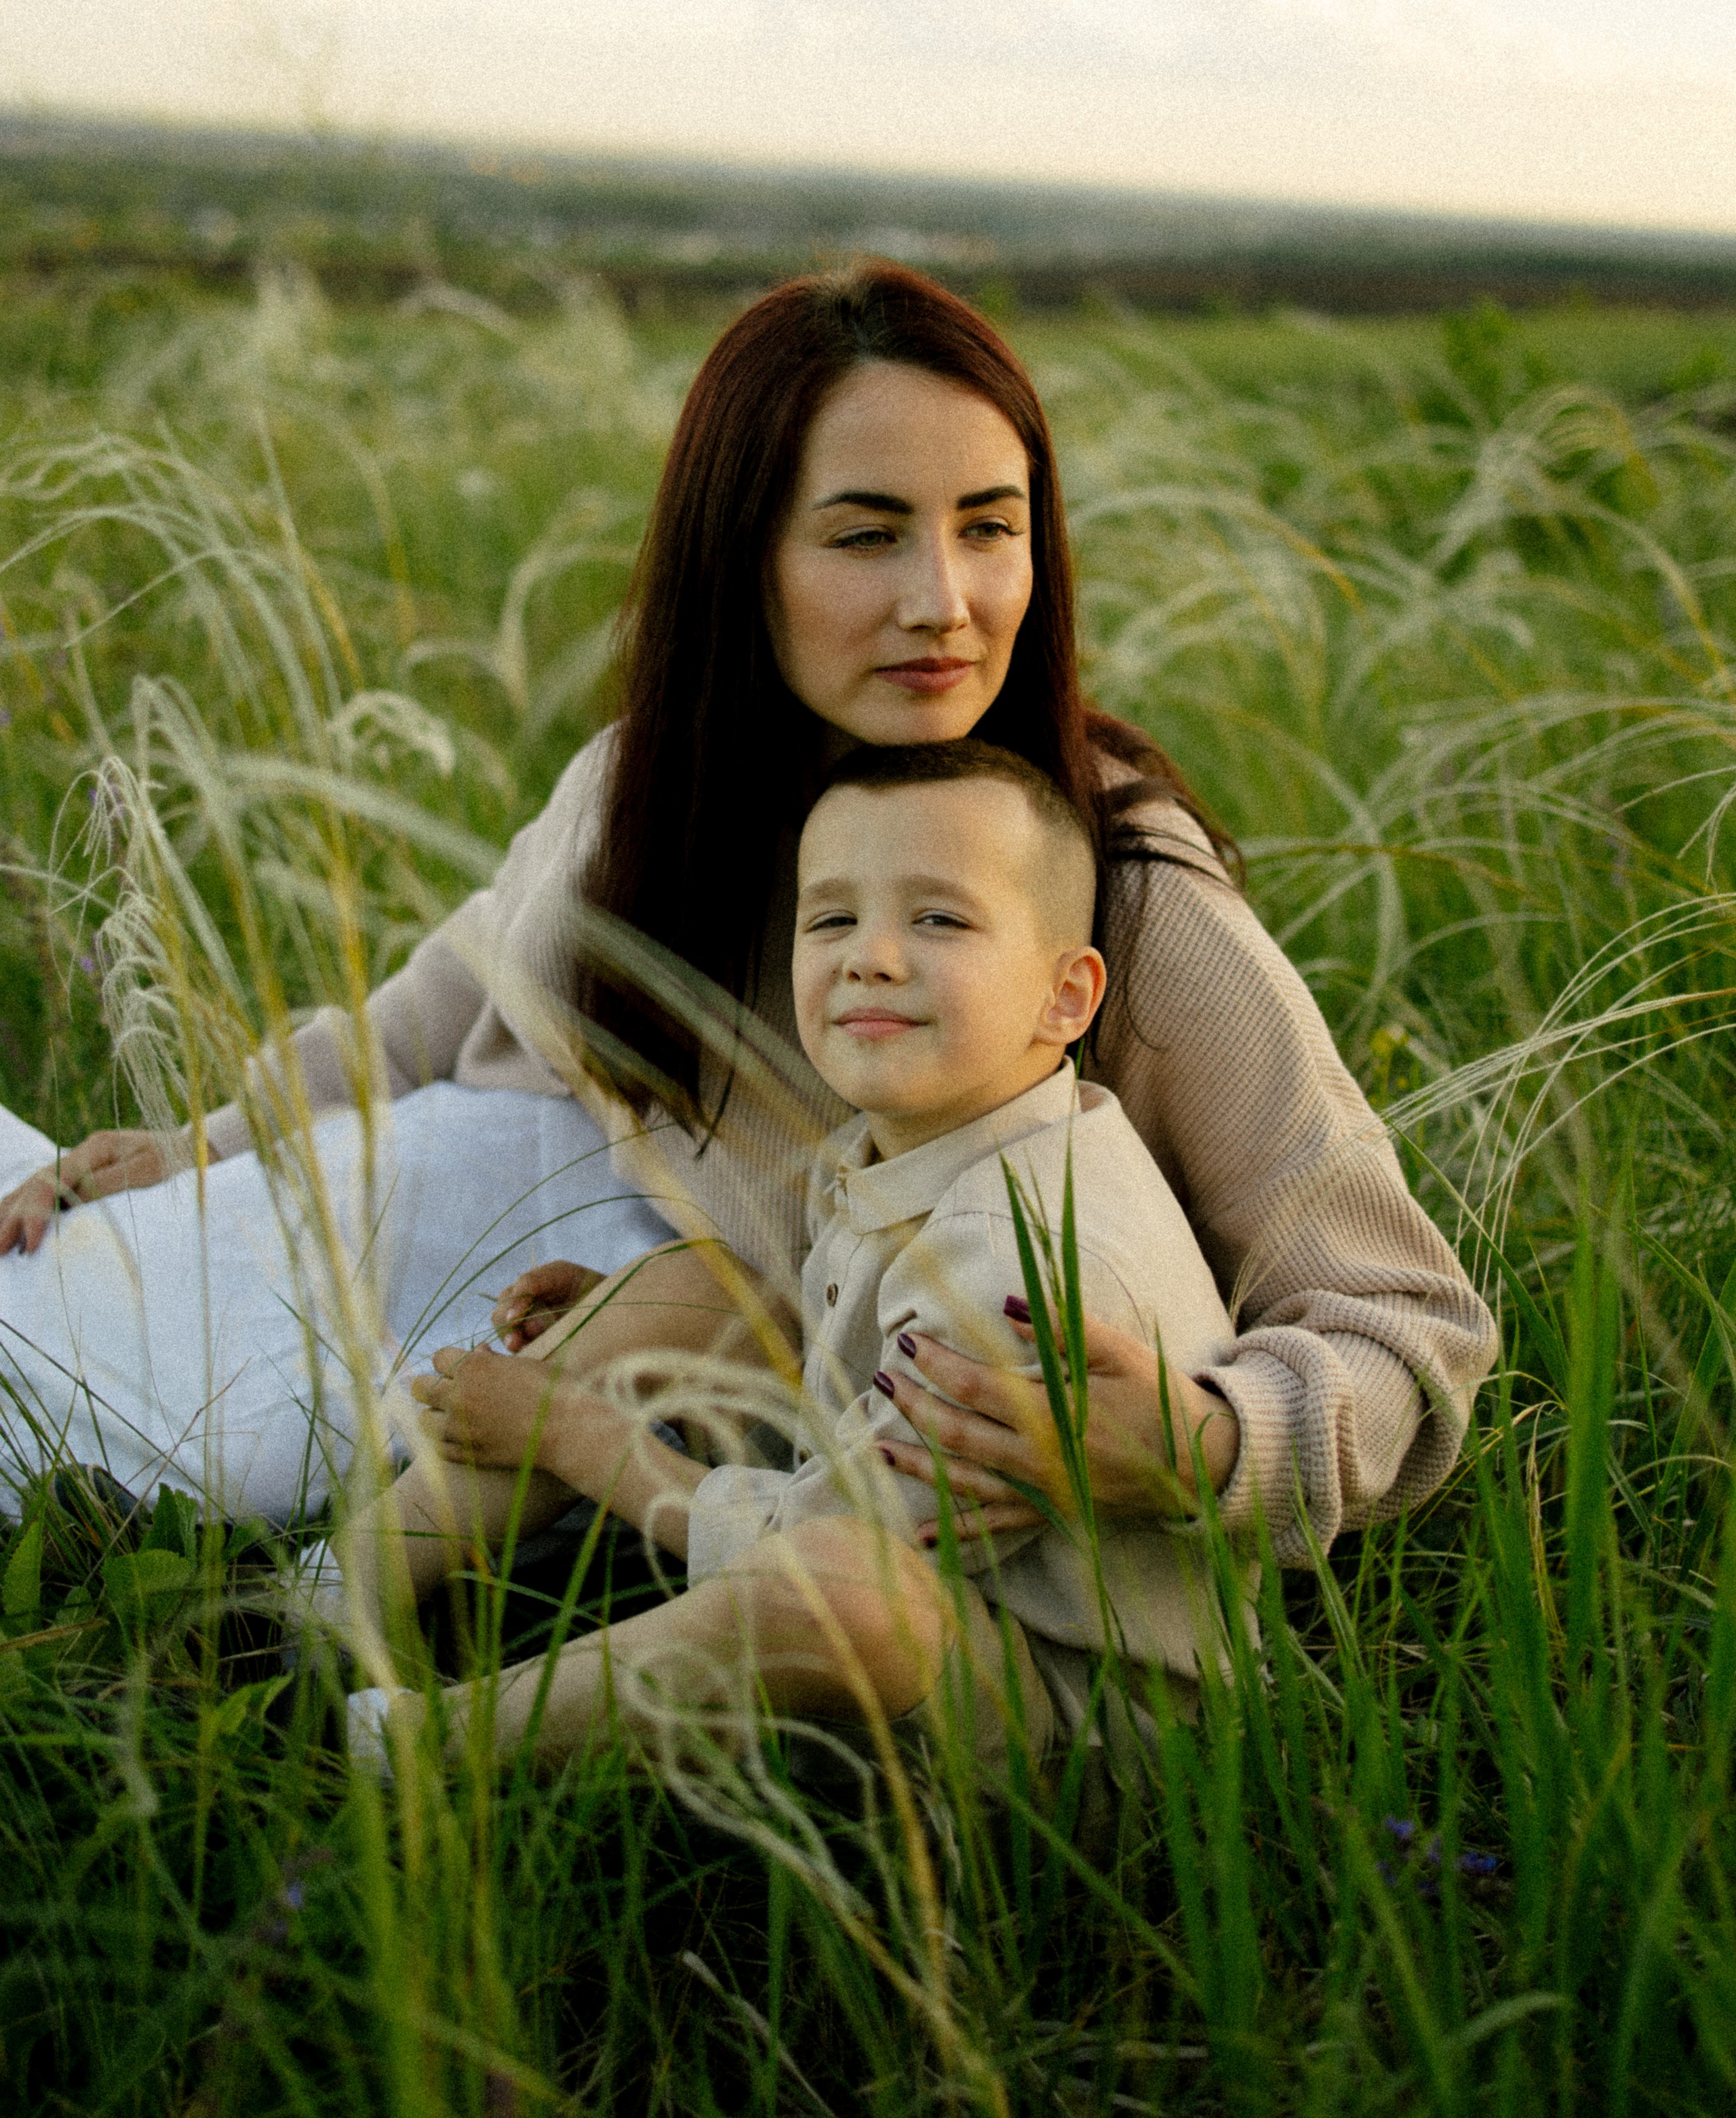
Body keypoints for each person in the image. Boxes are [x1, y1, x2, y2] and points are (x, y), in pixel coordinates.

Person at [0, 262, 1495, 1599]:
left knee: (194, 1455)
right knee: (63, 1337)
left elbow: (1405, 1326)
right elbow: (447, 990)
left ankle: (291, 1625)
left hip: (654, 1381)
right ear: (739, 559)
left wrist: (1202, 1436)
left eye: (990, 528)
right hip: (436, 1213)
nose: (944, 603)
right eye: (864, 536)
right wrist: (217, 1133)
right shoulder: (641, 788)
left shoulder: (1110, 889)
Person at [352, 740, 1246, 1774]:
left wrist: (574, 1432)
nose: (870, 956)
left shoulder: (1017, 1273)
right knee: (704, 1289)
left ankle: (416, 1752)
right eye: (832, 919)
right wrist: (633, 1316)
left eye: (940, 918)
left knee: (840, 1583)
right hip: (955, 1608)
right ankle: (343, 1594)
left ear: (1066, 998)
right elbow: (840, 1359)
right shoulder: (930, 1145)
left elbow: (824, 1539)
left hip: (1082, 1734)